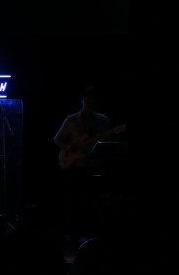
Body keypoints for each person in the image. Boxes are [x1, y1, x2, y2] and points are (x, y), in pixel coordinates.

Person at [53, 86, 125, 241]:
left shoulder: (103, 120)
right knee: (73, 203)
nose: (90, 105)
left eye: (93, 102)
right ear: (82, 101)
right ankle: (72, 234)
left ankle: (92, 235)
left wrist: (104, 139)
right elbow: (57, 139)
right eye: (87, 101)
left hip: (94, 166)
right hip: (76, 166)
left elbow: (107, 144)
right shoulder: (71, 120)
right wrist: (68, 148)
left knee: (93, 202)